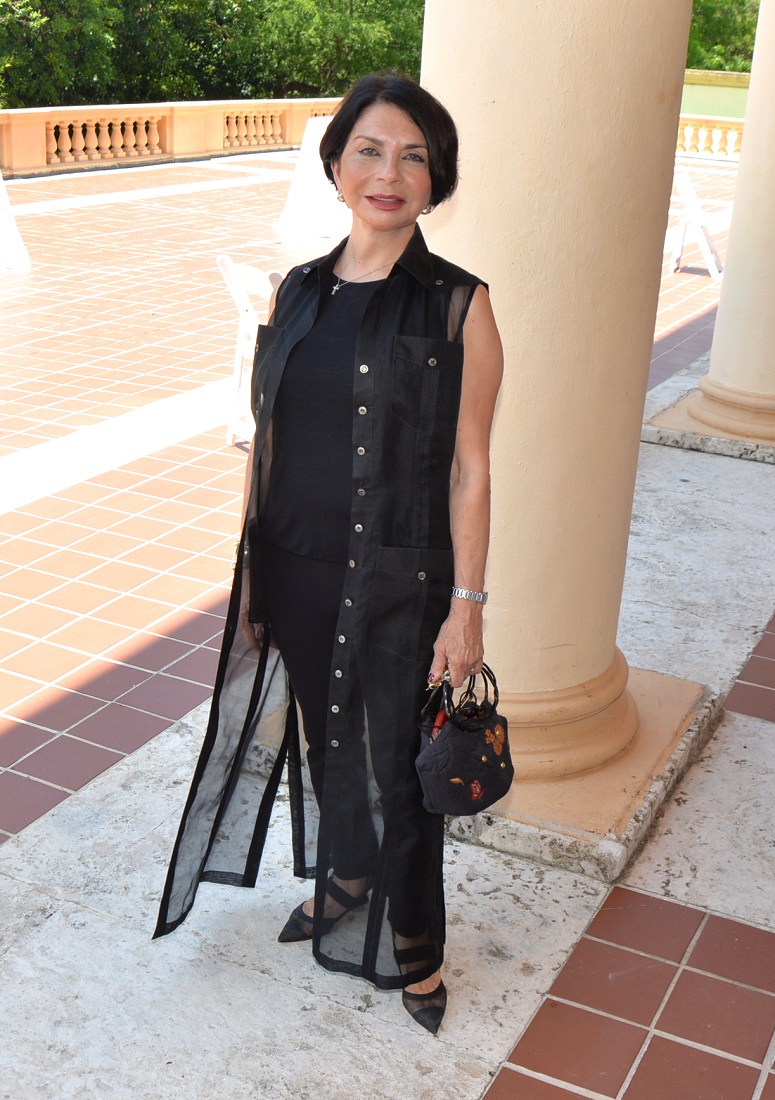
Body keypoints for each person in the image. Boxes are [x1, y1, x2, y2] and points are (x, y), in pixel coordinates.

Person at [154, 72, 503, 1036]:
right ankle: (347, 876)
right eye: (369, 150)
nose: (389, 173)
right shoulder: (297, 291)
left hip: (400, 578)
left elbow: (471, 470)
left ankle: (417, 954)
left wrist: (465, 606)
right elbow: (269, 441)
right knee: (325, 740)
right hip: (297, 567)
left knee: (398, 767)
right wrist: (256, 574)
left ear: (436, 180)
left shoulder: (456, 307)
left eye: (414, 156)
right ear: (336, 165)